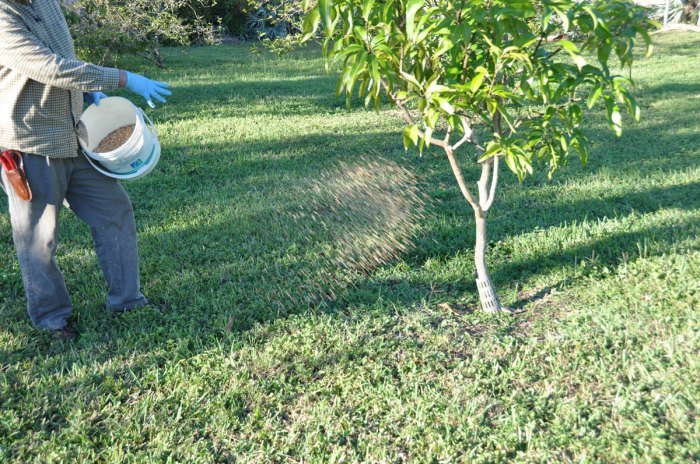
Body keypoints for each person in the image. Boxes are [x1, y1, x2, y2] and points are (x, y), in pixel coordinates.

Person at [0, 0, 172, 340]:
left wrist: (88, 86)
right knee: (39, 238)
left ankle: (127, 302)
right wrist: (125, 78)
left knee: (114, 211)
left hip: (74, 134)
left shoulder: (45, 3)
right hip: (30, 143)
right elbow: (50, 67)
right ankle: (52, 320)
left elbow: (65, 54)